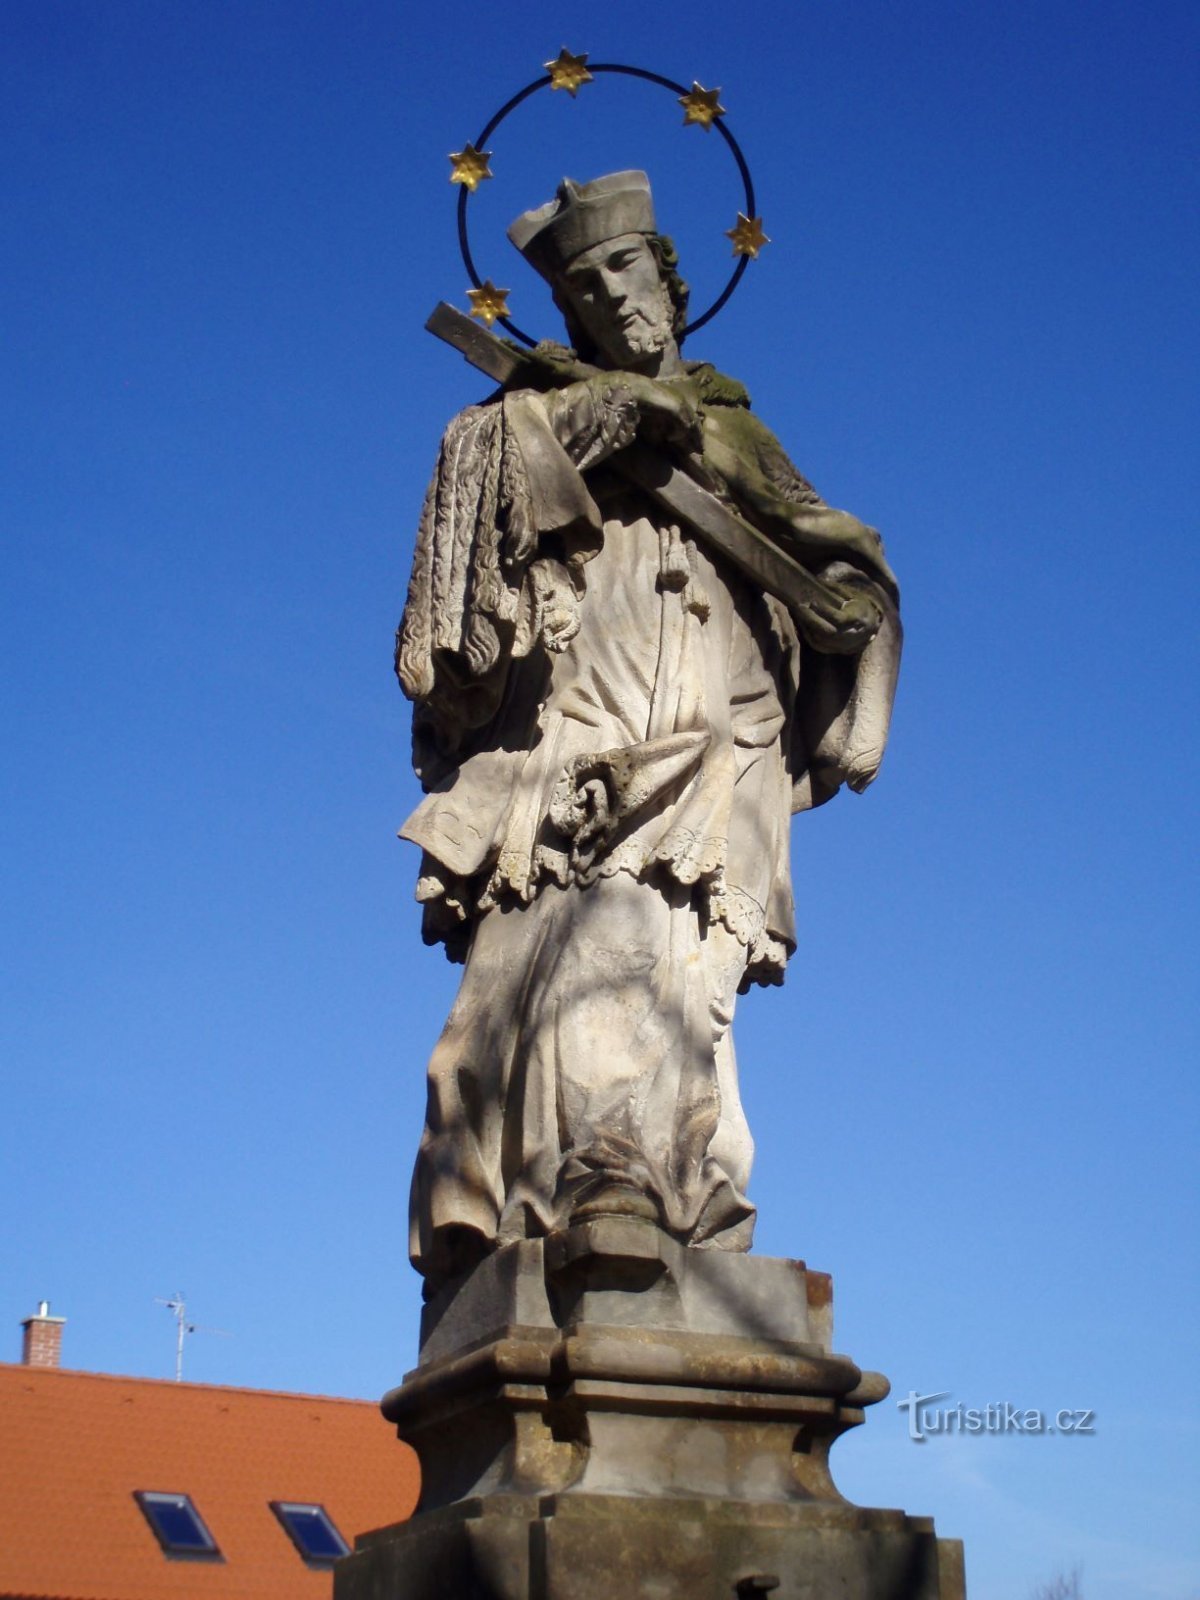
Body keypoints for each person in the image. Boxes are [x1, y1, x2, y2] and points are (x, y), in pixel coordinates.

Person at [396, 172, 900, 1290]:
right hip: (588, 729)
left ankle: (677, 1182)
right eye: (581, 288)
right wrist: (603, 417)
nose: (609, 300)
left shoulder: (738, 431)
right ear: (564, 314)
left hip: (725, 743)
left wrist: (851, 622)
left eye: (623, 270)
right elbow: (475, 486)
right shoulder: (535, 408)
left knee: (688, 983)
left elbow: (840, 558)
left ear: (669, 277)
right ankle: (588, 1179)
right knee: (579, 947)